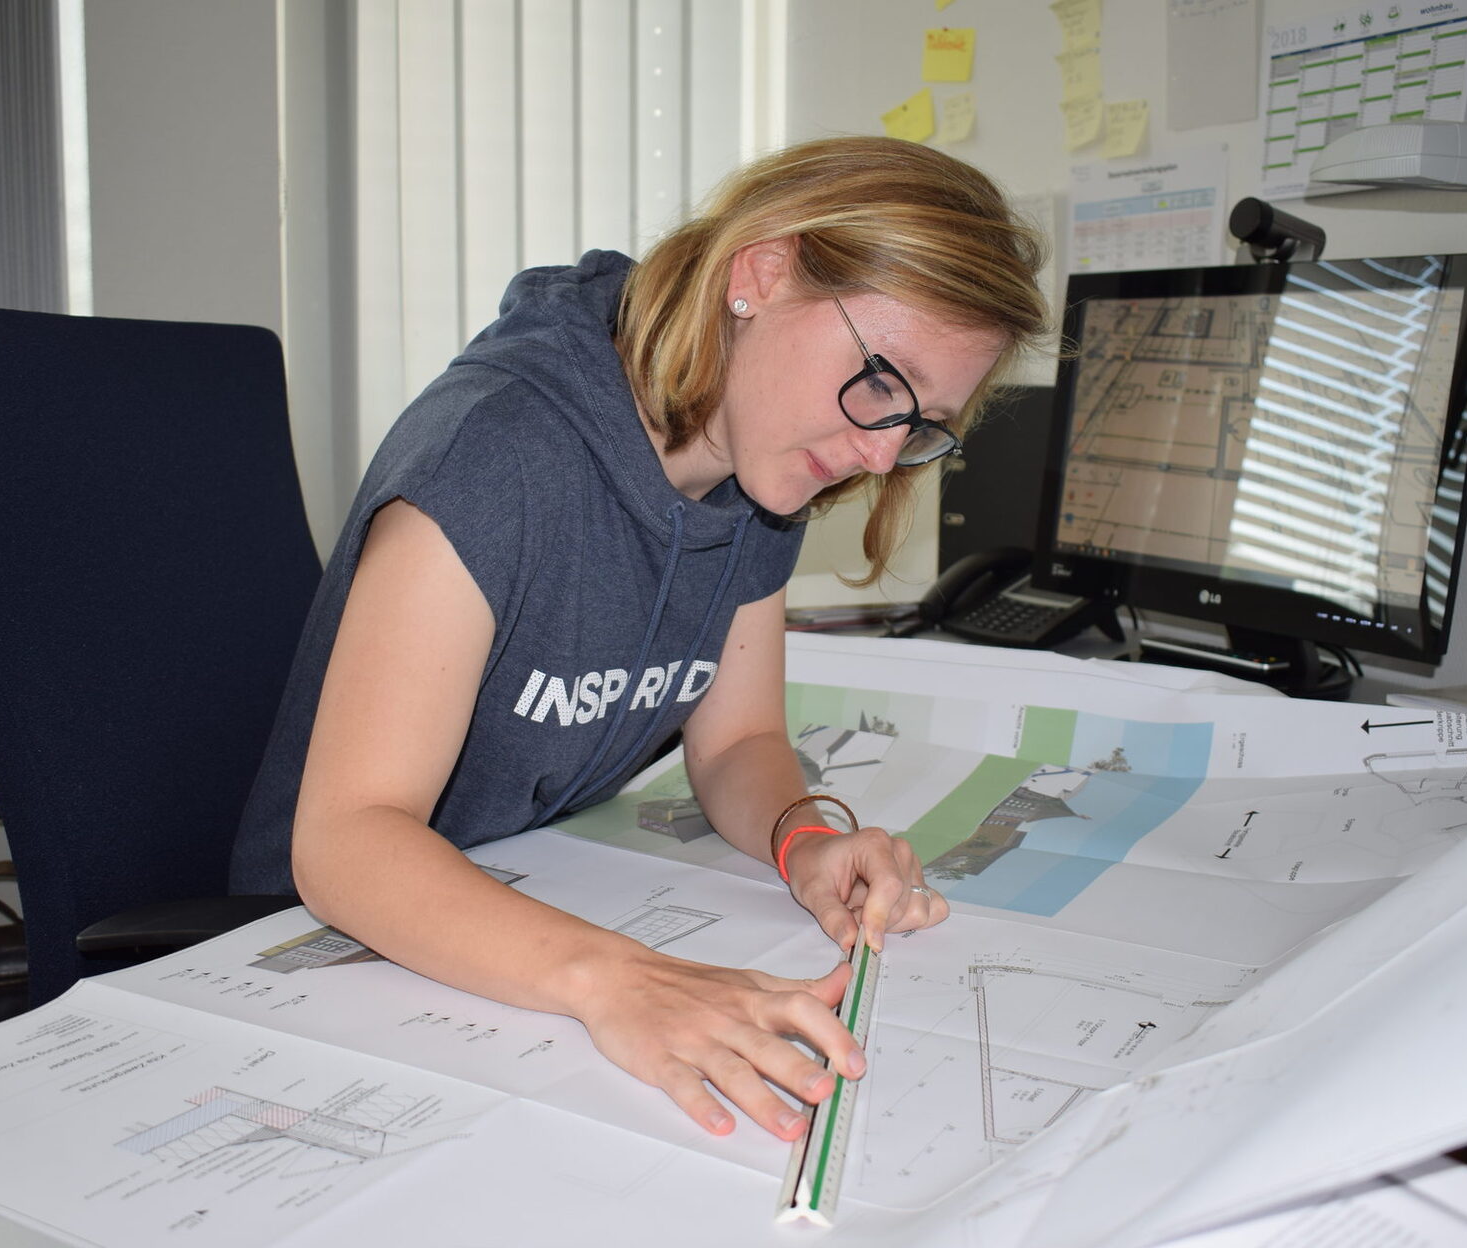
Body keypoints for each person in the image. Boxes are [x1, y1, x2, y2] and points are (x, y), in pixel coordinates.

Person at [231, 135, 1051, 1141]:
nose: (881, 456)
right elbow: (345, 840)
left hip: (522, 903)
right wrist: (621, 980)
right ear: (761, 274)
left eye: (921, 424)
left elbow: (739, 742)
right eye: (882, 383)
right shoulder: (497, 453)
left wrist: (805, 840)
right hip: (313, 952)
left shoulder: (761, 471)